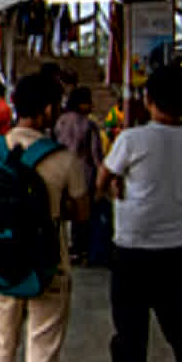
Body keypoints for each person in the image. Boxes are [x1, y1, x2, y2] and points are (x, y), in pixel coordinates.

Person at [86, 66, 182, 362]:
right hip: (178, 249)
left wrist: (116, 187)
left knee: (130, 336)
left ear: (148, 99)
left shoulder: (132, 138)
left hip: (133, 248)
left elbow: (102, 179)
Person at [0, 72, 89, 362]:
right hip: (48, 267)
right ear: (47, 109)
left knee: (1, 340)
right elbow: (82, 215)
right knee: (41, 352)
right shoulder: (63, 160)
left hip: (2, 263)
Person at [55, 87, 103, 263]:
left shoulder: (60, 122)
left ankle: (64, 247)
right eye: (88, 101)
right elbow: (96, 155)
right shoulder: (89, 125)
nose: (91, 105)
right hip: (84, 173)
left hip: (61, 171)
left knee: (62, 210)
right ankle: (79, 249)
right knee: (82, 214)